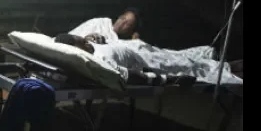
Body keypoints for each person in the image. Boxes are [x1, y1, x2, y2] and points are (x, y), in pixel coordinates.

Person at [52, 33, 241, 85]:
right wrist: (165, 80)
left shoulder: (89, 43)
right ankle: (231, 67)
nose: (85, 41)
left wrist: (96, 37)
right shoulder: (99, 60)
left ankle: (228, 65)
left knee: (188, 57)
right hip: (150, 64)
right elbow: (127, 75)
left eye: (81, 38)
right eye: (81, 42)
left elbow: (91, 39)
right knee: (196, 66)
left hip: (143, 51)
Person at [69, 8, 143, 44]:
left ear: (130, 32)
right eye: (123, 18)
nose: (122, 22)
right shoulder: (101, 22)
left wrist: (134, 41)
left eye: (127, 24)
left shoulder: (120, 43)